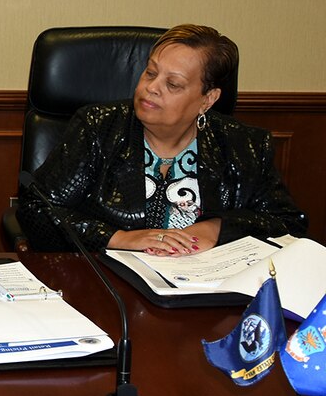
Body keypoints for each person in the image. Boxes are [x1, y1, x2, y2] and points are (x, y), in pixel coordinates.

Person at [18, 24, 307, 255]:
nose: (151, 88)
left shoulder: (245, 146)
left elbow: (290, 225)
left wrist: (218, 228)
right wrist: (119, 238)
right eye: (150, 72)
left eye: (173, 84)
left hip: (205, 298)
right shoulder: (98, 128)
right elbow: (36, 209)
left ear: (208, 99)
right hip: (109, 288)